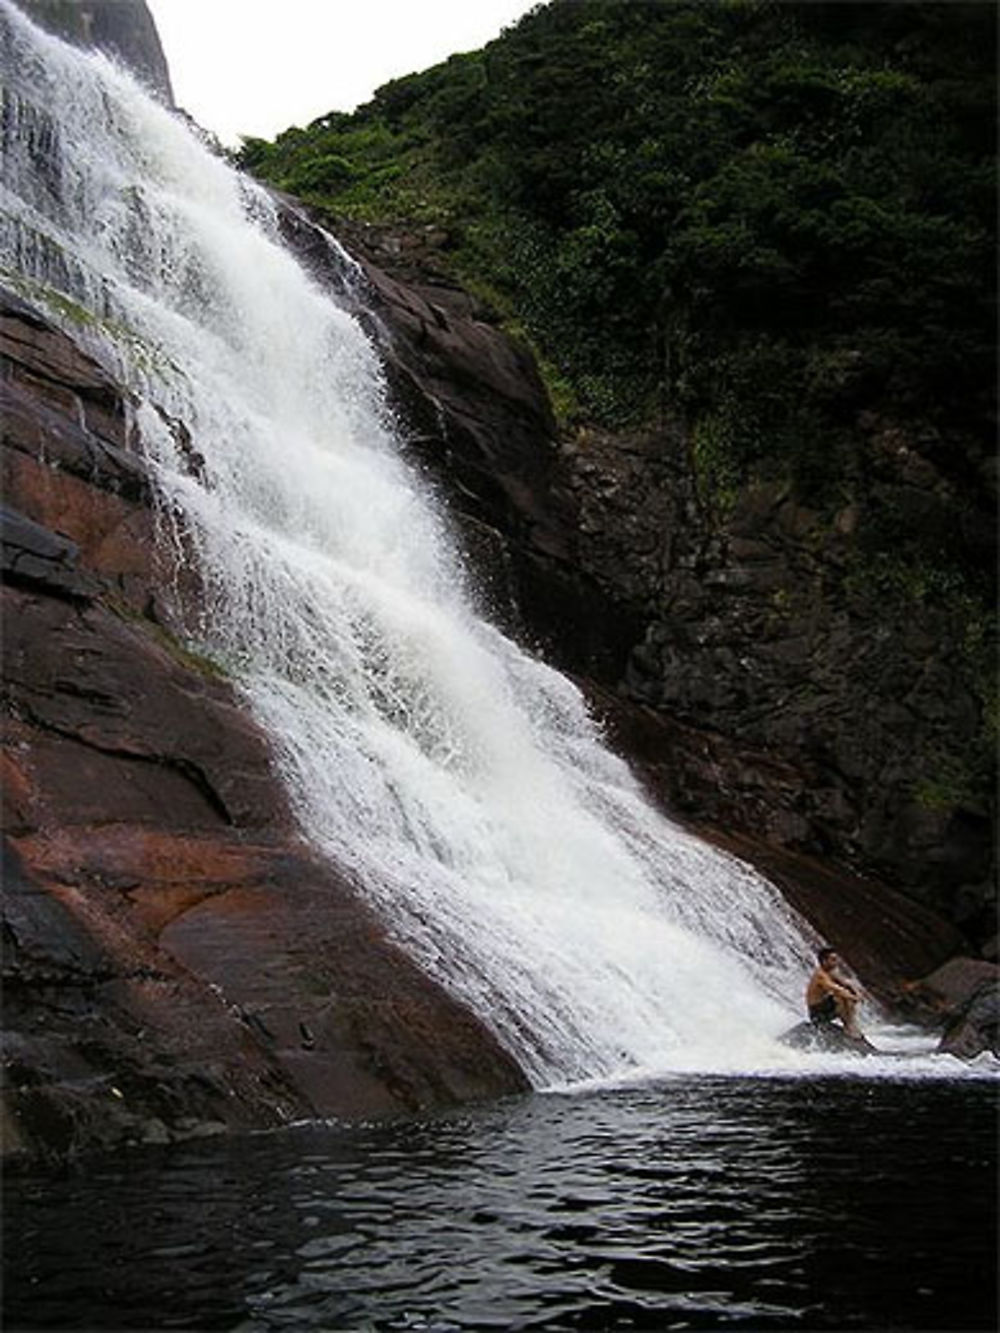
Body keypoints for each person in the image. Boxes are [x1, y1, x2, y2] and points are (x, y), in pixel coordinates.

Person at [806, 947, 865, 1039]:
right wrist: (854, 998)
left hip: (825, 1007)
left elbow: (846, 983)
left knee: (848, 992)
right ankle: (849, 1026)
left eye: (836, 959)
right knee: (840, 997)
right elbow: (837, 989)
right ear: (824, 961)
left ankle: (851, 1024)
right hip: (817, 1013)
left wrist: (857, 993)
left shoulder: (831, 971)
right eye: (833, 960)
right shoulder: (820, 975)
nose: (836, 962)